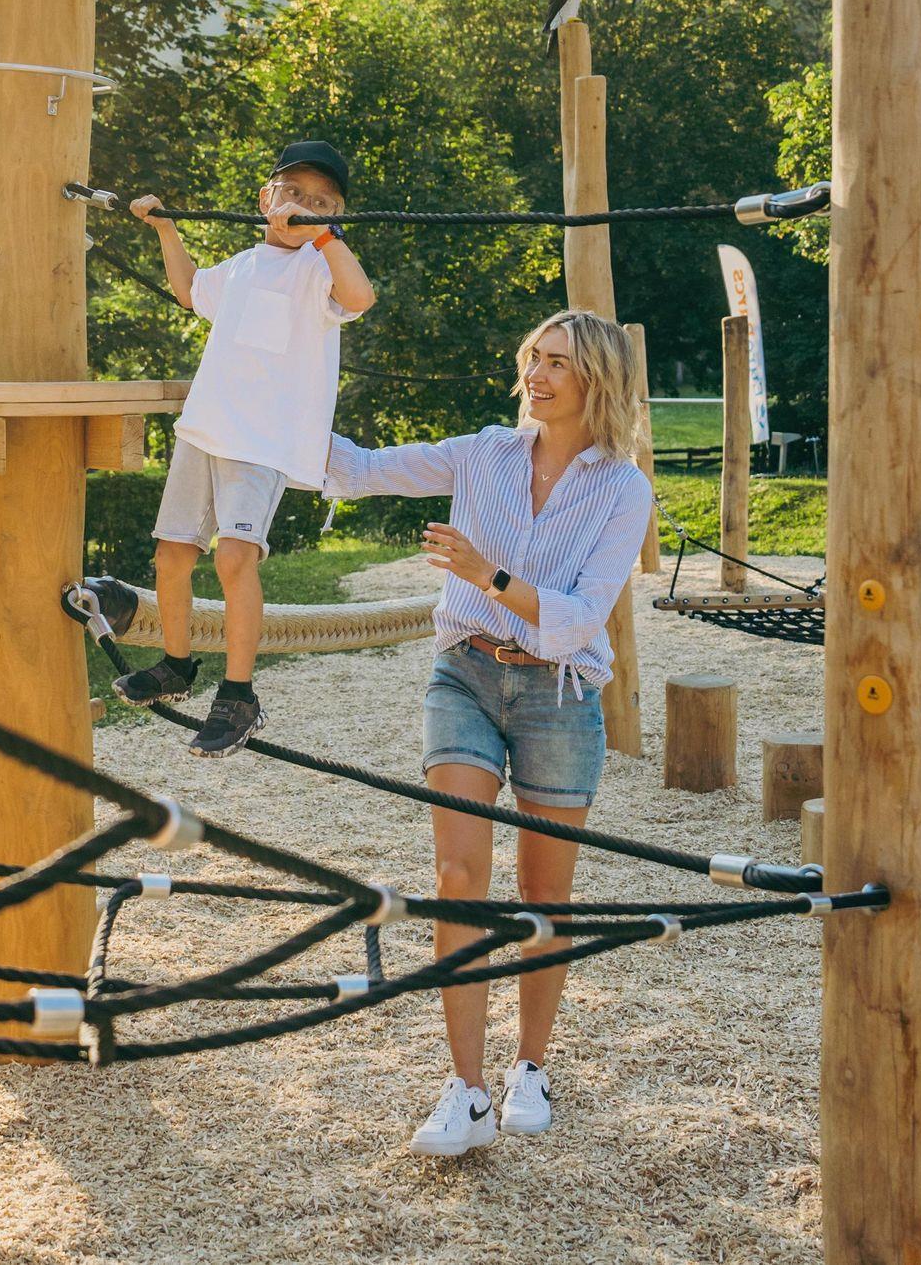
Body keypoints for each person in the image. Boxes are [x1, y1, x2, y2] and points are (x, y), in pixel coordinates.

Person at [320, 309, 652, 1156]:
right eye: (534, 358)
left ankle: (528, 1066)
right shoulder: (483, 453)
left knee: (545, 894)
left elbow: (578, 619)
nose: (538, 375)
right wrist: (270, 386)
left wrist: (487, 573)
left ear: (599, 379)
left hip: (559, 693)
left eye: (559, 363)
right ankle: (465, 1089)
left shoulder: (623, 489)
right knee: (457, 875)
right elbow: (356, 469)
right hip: (464, 674)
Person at [112, 142, 376, 754]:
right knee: (172, 554)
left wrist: (324, 237)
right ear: (265, 199)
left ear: (336, 218)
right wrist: (166, 230)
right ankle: (177, 665)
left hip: (262, 443)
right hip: (205, 429)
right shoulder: (240, 265)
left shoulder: (320, 268)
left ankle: (238, 694)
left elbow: (360, 297)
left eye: (323, 203)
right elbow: (189, 291)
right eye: (294, 194)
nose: (304, 206)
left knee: (234, 558)